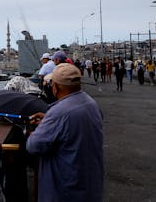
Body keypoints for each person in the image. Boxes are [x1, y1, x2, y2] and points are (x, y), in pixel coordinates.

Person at [26, 64, 103, 202]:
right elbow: (72, 126)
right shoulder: (91, 103)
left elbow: (33, 146)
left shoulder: (58, 112)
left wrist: (42, 127)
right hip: (89, 182)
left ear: (55, 87)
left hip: (65, 187)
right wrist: (49, 122)